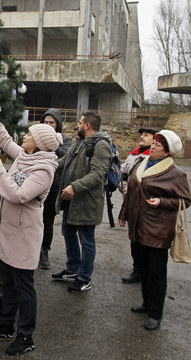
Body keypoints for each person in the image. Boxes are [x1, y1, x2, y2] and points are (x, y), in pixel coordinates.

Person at [0, 97, 59, 356]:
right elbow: (4, 140)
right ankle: (4, 325)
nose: (25, 136)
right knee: (8, 282)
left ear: (40, 143)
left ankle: (26, 336)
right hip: (8, 231)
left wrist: (0, 170)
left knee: (24, 287)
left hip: (24, 235)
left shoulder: (44, 169)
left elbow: (21, 195)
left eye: (30, 134)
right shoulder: (25, 156)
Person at [118, 130, 191, 331]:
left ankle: (155, 313)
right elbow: (132, 192)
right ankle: (146, 303)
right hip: (138, 225)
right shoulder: (141, 164)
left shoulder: (175, 173)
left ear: (168, 152)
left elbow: (185, 201)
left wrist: (162, 201)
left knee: (156, 271)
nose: (153, 146)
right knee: (142, 267)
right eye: (154, 143)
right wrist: (123, 214)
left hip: (158, 229)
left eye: (159, 145)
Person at [50, 112, 114, 292]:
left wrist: (74, 187)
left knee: (86, 240)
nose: (77, 125)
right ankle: (72, 269)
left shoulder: (101, 145)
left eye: (80, 123)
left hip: (86, 202)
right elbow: (65, 160)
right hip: (71, 199)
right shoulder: (78, 141)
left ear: (87, 125)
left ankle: (84, 277)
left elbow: (97, 174)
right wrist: (47, 164)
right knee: (68, 232)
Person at [118, 126, 158, 284]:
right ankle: (137, 270)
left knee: (145, 240)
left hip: (147, 206)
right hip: (131, 204)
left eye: (146, 135)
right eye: (142, 135)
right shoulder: (133, 155)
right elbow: (122, 174)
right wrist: (123, 186)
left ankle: (146, 270)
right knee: (134, 239)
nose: (142, 137)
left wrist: (135, 188)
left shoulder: (155, 158)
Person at [37, 109, 73, 270]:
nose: (48, 125)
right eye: (45, 122)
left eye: (51, 122)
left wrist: (53, 143)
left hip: (54, 186)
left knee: (47, 221)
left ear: (58, 124)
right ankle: (31, 249)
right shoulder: (36, 136)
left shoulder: (65, 139)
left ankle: (44, 251)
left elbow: (65, 156)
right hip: (36, 184)